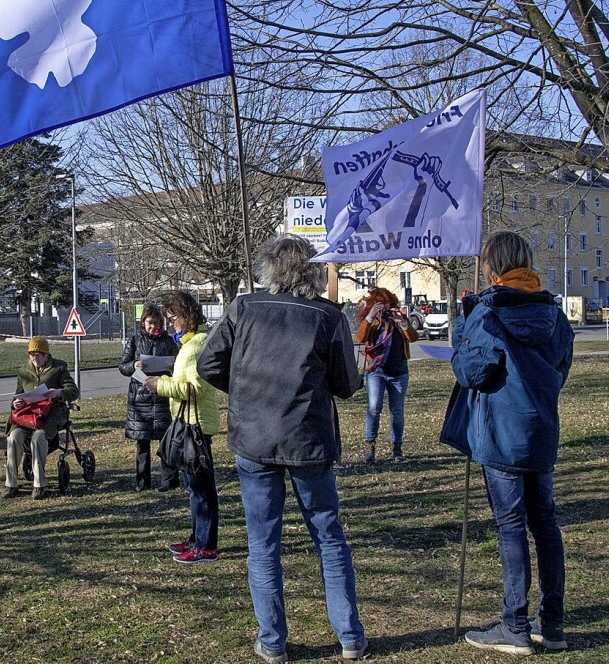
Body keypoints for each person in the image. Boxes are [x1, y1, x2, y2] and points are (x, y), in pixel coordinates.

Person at [196, 234, 368, 662]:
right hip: (306, 438)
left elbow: (209, 363)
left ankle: (274, 642)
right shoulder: (326, 316)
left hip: (256, 438)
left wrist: (244, 393)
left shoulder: (244, 309)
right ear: (310, 271)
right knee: (328, 539)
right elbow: (347, 383)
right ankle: (349, 636)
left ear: (269, 269)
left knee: (264, 544)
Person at [453, 232, 573, 656]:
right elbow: (561, 367)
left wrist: (460, 331)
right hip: (540, 429)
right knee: (545, 523)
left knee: (511, 526)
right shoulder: (553, 313)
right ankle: (553, 624)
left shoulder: (488, 311)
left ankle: (515, 624)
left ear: (491, 266)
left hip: (503, 433)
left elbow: (472, 372)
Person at [142, 290, 222, 564]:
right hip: (187, 422)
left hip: (196, 424)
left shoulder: (198, 345)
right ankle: (197, 538)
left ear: (187, 316)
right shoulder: (188, 344)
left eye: (173, 318)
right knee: (192, 486)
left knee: (201, 489)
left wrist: (160, 384)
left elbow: (195, 387)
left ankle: (206, 546)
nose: (170, 324)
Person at [3, 337, 79, 500]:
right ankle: (11, 484)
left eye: (38, 355)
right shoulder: (24, 371)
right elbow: (17, 394)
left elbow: (73, 391)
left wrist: (59, 393)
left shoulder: (59, 368)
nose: (35, 358)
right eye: (32, 355)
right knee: (14, 437)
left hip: (52, 414)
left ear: (46, 355)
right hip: (29, 414)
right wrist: (15, 403)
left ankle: (39, 484)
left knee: (38, 438)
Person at [118, 302, 179, 492]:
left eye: (157, 323)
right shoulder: (135, 340)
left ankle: (169, 481)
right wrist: (134, 365)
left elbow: (176, 365)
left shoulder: (169, 342)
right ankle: (142, 483)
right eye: (150, 323)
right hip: (140, 399)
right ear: (143, 322)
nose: (153, 327)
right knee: (142, 444)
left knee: (166, 441)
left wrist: (170, 367)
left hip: (162, 396)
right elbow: (123, 366)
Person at [353, 286, 418, 463]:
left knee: (397, 411)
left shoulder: (397, 319)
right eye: (380, 304)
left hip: (398, 372)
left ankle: (397, 448)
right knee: (374, 408)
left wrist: (402, 322)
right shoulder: (371, 322)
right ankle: (369, 447)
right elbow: (359, 339)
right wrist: (370, 316)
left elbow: (413, 337)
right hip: (376, 372)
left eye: (386, 304)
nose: (384, 308)